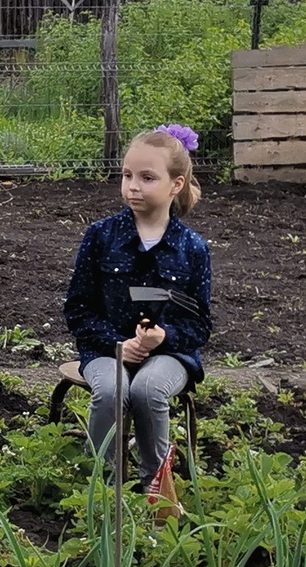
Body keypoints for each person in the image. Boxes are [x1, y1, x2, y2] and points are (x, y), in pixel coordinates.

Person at [61, 125, 213, 501]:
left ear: (176, 185)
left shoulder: (191, 248)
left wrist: (164, 338)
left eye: (147, 178)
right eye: (127, 175)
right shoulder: (101, 236)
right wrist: (117, 344)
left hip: (169, 356)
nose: (132, 186)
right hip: (105, 349)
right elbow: (77, 308)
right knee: (112, 390)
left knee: (147, 390)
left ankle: (156, 492)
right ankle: (99, 488)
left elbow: (199, 323)